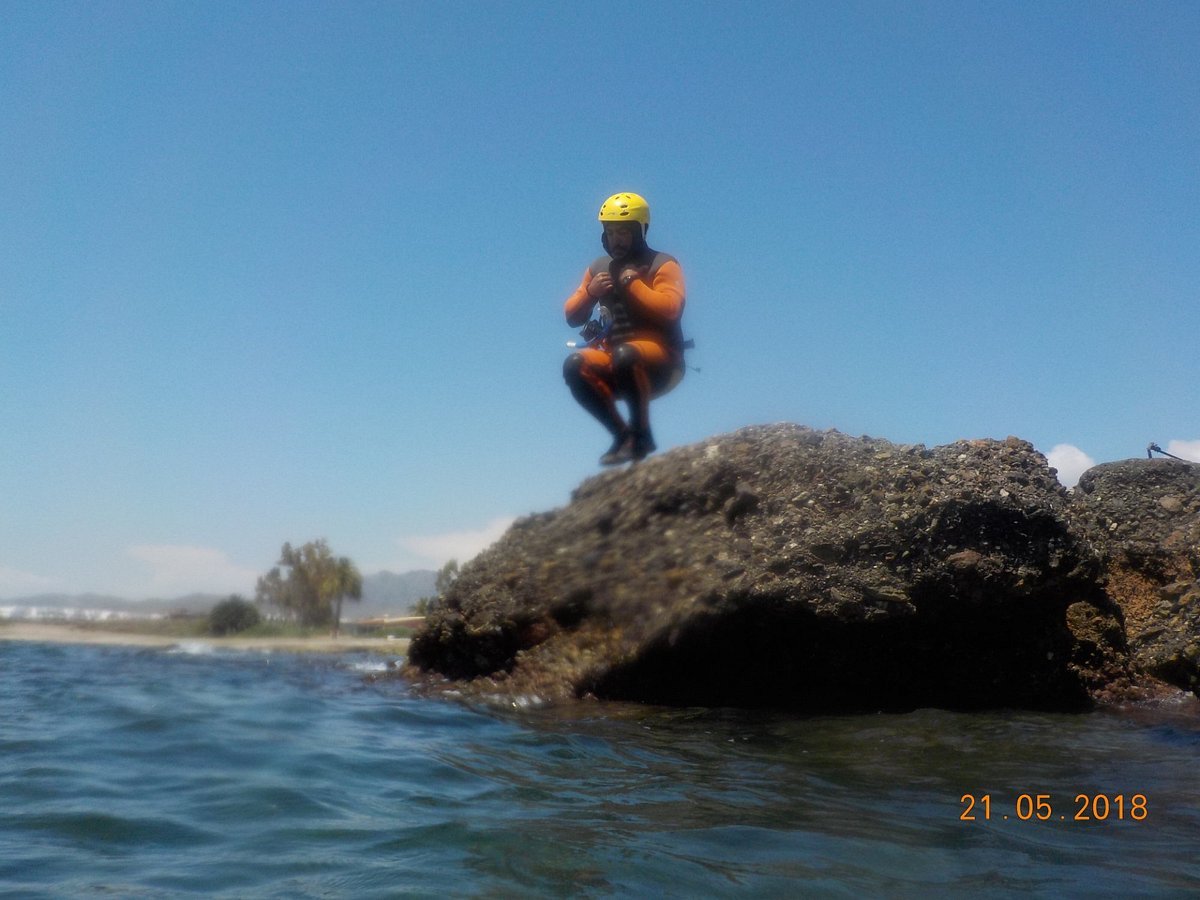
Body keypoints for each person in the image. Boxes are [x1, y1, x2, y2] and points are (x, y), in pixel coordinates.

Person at [562, 192, 688, 465]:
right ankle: (623, 436)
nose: (615, 239)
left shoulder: (662, 264)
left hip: (662, 361)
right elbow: (571, 315)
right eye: (610, 232)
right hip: (616, 360)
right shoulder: (597, 269)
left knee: (626, 356)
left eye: (623, 232)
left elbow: (671, 310)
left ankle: (642, 436)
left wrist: (633, 283)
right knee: (574, 365)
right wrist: (590, 293)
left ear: (639, 231)